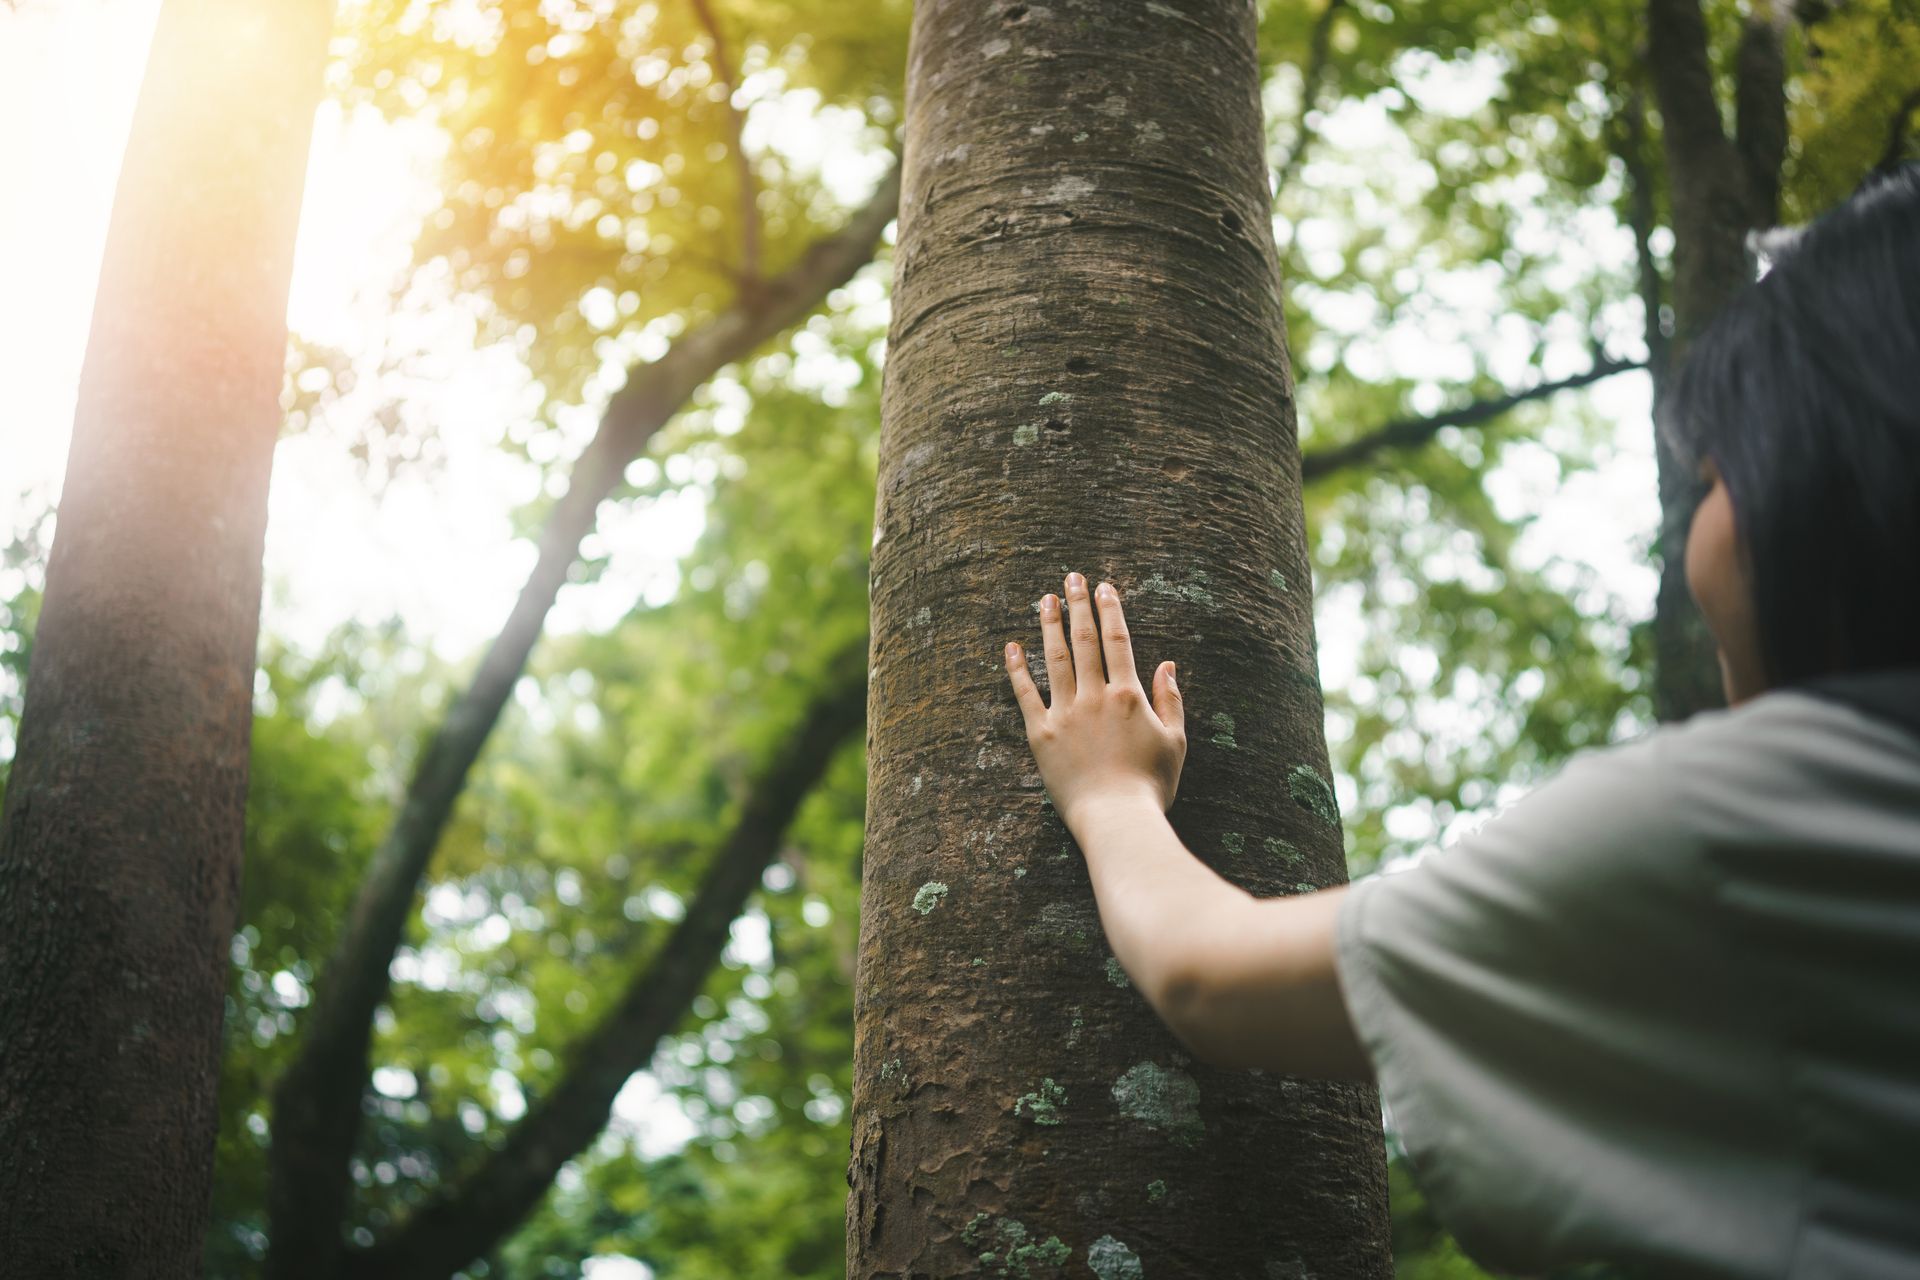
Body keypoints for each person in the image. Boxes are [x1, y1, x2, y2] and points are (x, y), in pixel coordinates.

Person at [999, 163, 1920, 1278]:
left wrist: (1109, 795)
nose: (1701, 537)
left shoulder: (1755, 818)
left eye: (1717, 478)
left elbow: (1211, 974)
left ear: (1835, 485)